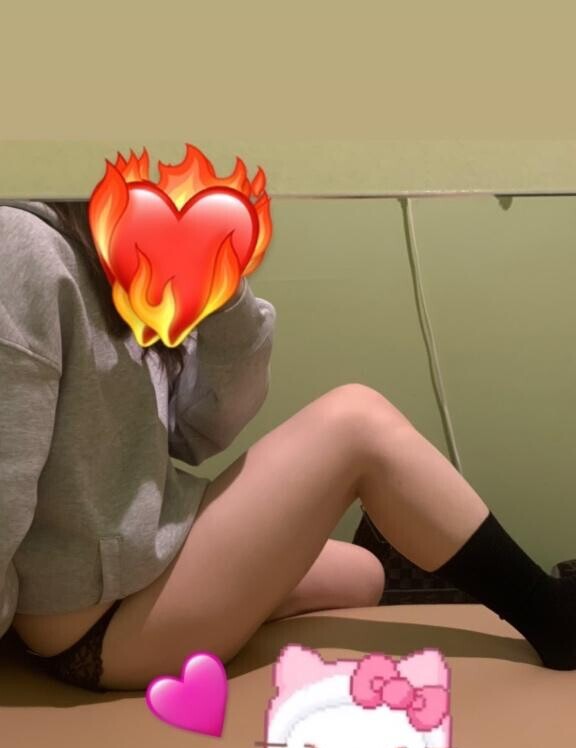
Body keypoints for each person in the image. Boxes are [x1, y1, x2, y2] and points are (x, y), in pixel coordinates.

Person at [1, 201, 575, 694]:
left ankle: (398, 530)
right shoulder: (21, 244)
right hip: (92, 623)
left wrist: (221, 288)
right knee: (357, 423)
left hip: (146, 555)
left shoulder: (111, 240)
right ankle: (553, 617)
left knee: (366, 575)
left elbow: (198, 434)